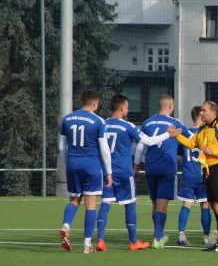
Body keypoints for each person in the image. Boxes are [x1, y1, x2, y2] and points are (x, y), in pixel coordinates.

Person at [96, 94, 177, 252]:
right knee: (130, 204)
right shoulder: (128, 126)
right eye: (127, 107)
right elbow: (147, 141)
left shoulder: (103, 124)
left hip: (107, 172)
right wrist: (168, 134)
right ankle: (133, 241)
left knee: (106, 203)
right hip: (124, 172)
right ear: (121, 108)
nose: (128, 110)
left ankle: (100, 239)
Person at [170, 101, 218, 252]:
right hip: (208, 171)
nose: (201, 113)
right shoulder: (202, 129)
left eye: (204, 110)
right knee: (215, 205)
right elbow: (190, 143)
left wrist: (214, 152)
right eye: (200, 111)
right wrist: (176, 135)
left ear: (213, 111)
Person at [58, 89, 113, 253]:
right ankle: (87, 245)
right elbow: (104, 149)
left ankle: (66, 226)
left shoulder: (67, 119)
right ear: (95, 103)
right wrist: (109, 172)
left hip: (73, 163)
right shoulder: (98, 121)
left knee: (74, 199)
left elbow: (62, 146)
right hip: (91, 165)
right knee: (91, 204)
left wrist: (68, 163)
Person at [135, 94, 191, 249]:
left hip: (150, 167)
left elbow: (140, 147)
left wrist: (136, 167)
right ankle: (158, 238)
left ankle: (158, 233)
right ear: (171, 106)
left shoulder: (147, 122)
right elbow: (192, 137)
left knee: (154, 202)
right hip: (167, 166)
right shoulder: (175, 123)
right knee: (162, 203)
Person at [175, 106, 212, 246]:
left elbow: (179, 157)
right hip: (202, 174)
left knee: (187, 204)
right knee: (205, 205)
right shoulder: (206, 133)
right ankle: (206, 237)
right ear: (202, 116)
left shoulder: (185, 134)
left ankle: (181, 235)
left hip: (188, 174)